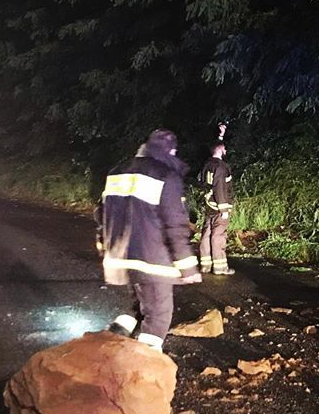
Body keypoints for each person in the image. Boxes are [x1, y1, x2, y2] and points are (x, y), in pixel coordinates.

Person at [96, 129, 201, 351]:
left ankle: (109, 345)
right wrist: (188, 267)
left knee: (138, 307)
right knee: (158, 315)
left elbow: (101, 214)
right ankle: (143, 369)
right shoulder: (166, 175)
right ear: (170, 151)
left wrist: (103, 248)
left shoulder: (117, 171)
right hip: (152, 260)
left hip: (120, 257)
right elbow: (175, 224)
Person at [198, 140, 235, 275]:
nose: (226, 151)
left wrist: (221, 134)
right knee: (218, 236)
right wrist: (224, 209)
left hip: (209, 205)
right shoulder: (221, 167)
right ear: (220, 150)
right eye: (224, 149)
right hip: (219, 207)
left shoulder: (207, 165)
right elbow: (220, 188)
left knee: (206, 235)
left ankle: (205, 266)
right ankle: (220, 268)